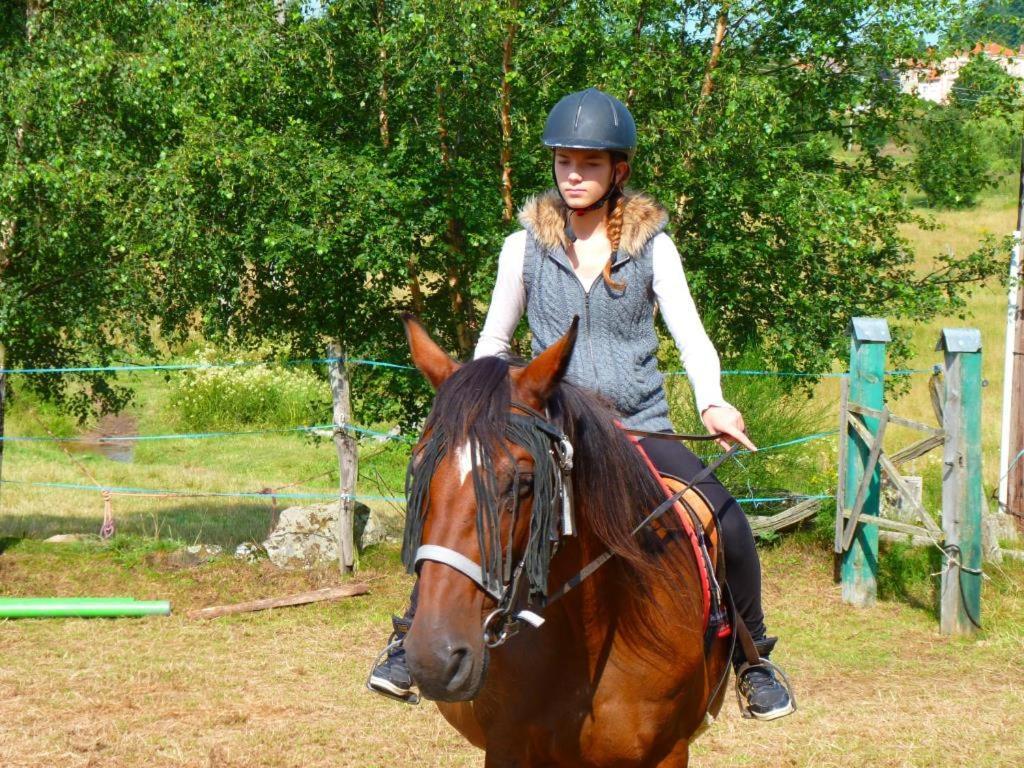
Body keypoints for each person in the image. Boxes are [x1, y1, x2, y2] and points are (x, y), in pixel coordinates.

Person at [369, 87, 794, 721]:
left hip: (639, 429)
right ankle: (411, 637)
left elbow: (690, 334)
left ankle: (752, 660)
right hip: (552, 427)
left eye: (589, 164)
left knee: (727, 521)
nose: (574, 175)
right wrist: (480, 401)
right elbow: (493, 340)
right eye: (565, 162)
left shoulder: (655, 249)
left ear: (617, 171)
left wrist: (712, 403)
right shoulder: (523, 249)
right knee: (469, 504)